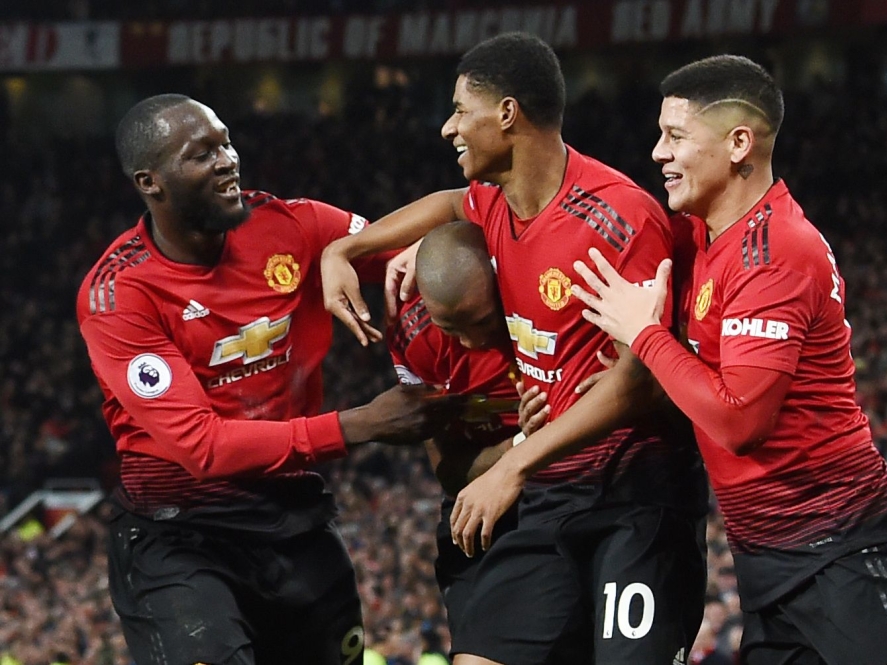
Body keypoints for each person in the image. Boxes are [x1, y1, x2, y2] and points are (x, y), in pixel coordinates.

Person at [322, 32, 708, 665]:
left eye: (458, 110)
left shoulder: (616, 219)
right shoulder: (491, 203)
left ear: (507, 114)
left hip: (633, 495)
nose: (448, 128)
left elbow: (643, 381)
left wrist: (511, 465)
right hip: (548, 496)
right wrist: (347, 249)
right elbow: (450, 203)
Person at [570, 55, 887, 664]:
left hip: (849, 554)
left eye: (675, 137)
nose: (657, 153)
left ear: (738, 143)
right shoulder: (706, 237)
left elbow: (741, 422)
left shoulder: (772, 252)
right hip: (770, 568)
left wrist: (645, 337)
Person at [76, 94, 456, 665]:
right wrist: (361, 425)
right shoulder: (120, 295)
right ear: (150, 182)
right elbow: (202, 446)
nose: (228, 160)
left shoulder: (294, 225)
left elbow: (427, 261)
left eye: (225, 142)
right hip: (182, 536)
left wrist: (350, 252)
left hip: (293, 518)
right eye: (200, 154)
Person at [387, 222, 591, 663]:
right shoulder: (413, 335)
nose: (470, 341)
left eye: (479, 322)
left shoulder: (546, 303)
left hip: (568, 497)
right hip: (480, 516)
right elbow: (448, 471)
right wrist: (519, 443)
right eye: (451, 327)